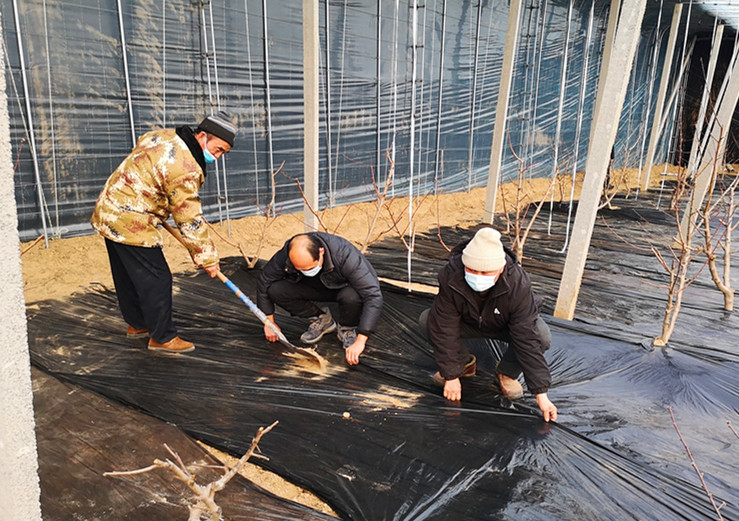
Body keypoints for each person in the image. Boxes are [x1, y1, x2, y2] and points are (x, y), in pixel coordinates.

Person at [91, 111, 237, 354]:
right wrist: (207, 258)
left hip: (109, 208)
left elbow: (145, 157)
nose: (218, 157)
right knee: (158, 278)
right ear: (202, 136)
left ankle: (137, 325)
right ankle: (162, 337)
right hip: (131, 219)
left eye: (223, 153)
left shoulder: (164, 136)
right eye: (218, 149)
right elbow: (189, 217)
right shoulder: (186, 167)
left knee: (128, 273)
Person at [418, 227, 558, 422]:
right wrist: (451, 376)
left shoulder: (517, 284)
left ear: (500, 269)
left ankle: (507, 373)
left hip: (504, 326)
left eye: (486, 272)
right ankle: (463, 364)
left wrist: (541, 394)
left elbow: (526, 336)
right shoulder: (451, 276)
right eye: (472, 270)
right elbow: (445, 324)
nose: (478, 276)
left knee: (540, 335)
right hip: (468, 322)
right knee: (428, 320)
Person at [257, 232, 383, 365]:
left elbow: (373, 295)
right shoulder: (287, 253)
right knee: (275, 290)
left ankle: (347, 329)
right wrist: (268, 323)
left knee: (352, 296)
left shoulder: (344, 255)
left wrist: (361, 341)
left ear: (321, 252)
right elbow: (264, 281)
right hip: (314, 286)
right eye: (300, 269)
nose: (306, 271)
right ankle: (322, 320)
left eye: (310, 267)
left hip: (342, 287)